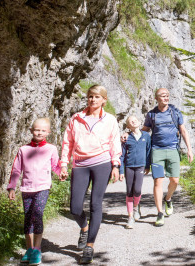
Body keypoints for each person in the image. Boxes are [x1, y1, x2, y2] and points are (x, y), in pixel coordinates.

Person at [59, 84, 121, 264]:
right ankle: (84, 228)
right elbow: (67, 143)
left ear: (104, 100)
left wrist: (115, 165)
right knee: (75, 207)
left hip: (102, 164)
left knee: (96, 203)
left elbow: (115, 143)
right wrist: (63, 165)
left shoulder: (110, 120)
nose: (93, 99)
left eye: (97, 96)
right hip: (80, 164)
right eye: (90, 96)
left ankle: (90, 246)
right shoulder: (76, 118)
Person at [7, 118, 62, 265]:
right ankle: (29, 249)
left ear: (48, 132)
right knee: (27, 218)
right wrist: (12, 187)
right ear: (31, 130)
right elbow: (17, 169)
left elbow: (56, 166)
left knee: (37, 215)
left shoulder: (51, 148)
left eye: (43, 130)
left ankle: (37, 249)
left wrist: (61, 173)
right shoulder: (23, 150)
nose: (39, 132)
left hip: (42, 187)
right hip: (26, 188)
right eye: (37, 130)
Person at [142, 88, 193, 226]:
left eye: (167, 96)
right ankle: (159, 213)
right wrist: (130, 135)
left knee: (175, 180)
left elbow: (183, 130)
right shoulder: (151, 115)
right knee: (158, 182)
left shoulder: (175, 112)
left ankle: (168, 199)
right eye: (163, 96)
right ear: (156, 98)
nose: (166, 98)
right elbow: (144, 131)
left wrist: (189, 149)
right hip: (157, 151)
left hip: (172, 150)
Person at [119, 115, 151, 229]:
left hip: (140, 166)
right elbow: (121, 155)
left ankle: (136, 207)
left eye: (135, 120)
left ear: (139, 122)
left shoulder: (146, 136)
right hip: (129, 167)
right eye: (130, 121)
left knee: (137, 190)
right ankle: (130, 217)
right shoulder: (126, 138)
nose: (133, 122)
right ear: (128, 126)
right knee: (129, 191)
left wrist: (148, 166)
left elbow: (148, 151)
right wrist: (121, 171)